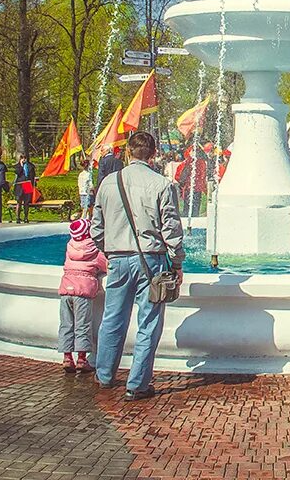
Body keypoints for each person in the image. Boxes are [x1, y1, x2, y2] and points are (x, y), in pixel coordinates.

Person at [91, 130, 184, 401]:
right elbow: (171, 229)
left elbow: (96, 228)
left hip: (118, 258)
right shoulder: (162, 185)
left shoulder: (109, 183)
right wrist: (177, 262)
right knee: (149, 322)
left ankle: (105, 375)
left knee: (112, 318)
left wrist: (108, 250)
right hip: (150, 260)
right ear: (153, 154)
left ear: (128, 152)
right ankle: (137, 384)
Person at [58, 217, 109, 373]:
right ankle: (81, 359)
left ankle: (67, 357)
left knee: (66, 324)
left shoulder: (70, 247)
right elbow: (106, 265)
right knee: (83, 325)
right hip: (83, 292)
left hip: (66, 289)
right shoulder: (94, 249)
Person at [14, 153, 37, 224]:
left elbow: (33, 176)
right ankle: (17, 217)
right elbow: (17, 173)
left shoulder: (30, 166)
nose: (23, 159)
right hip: (19, 185)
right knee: (19, 202)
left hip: (27, 184)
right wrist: (21, 165)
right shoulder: (17, 166)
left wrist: (33, 185)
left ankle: (26, 217)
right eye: (22, 158)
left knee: (26, 202)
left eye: (25, 158)